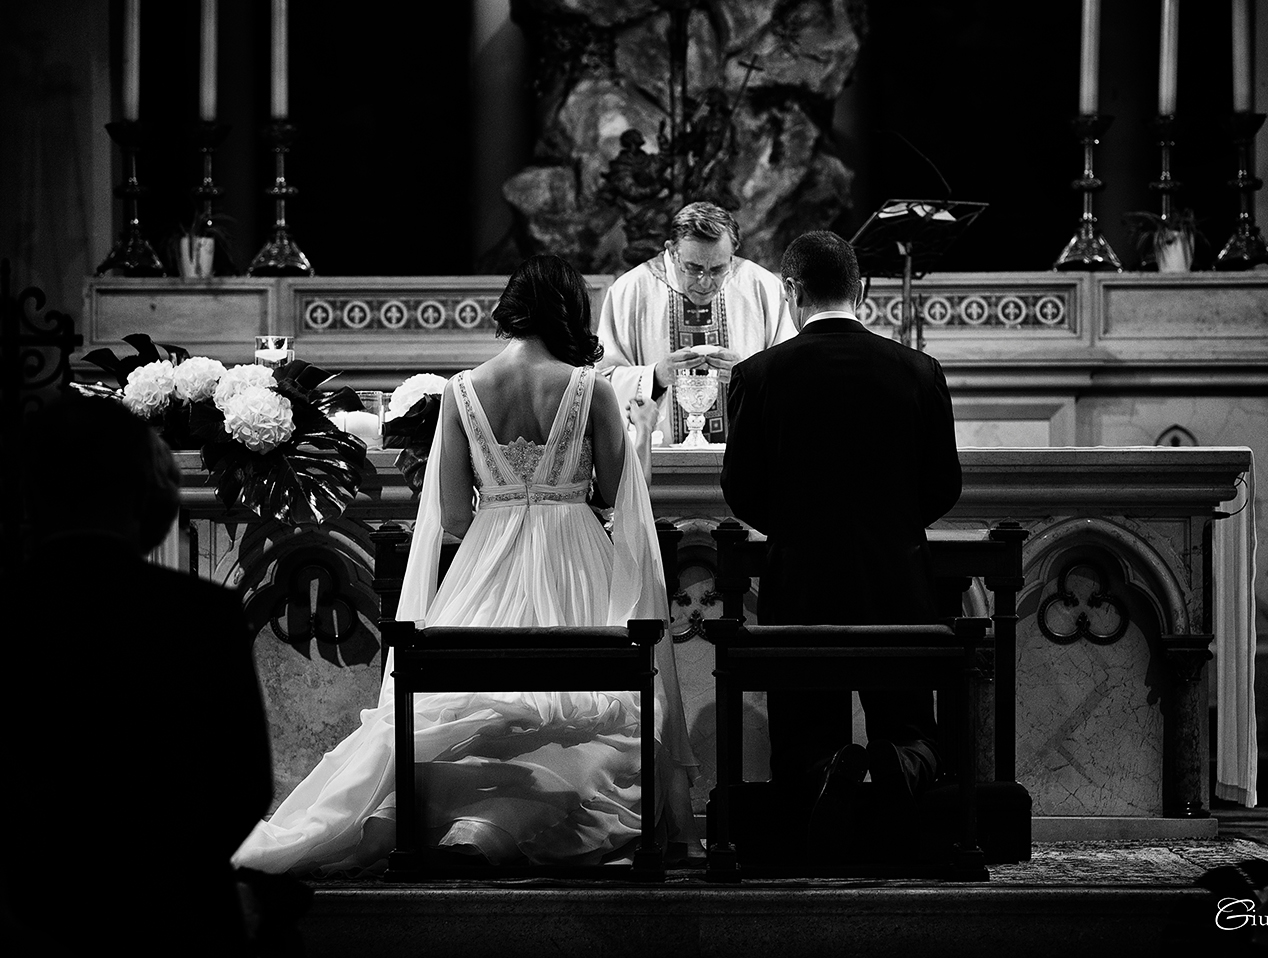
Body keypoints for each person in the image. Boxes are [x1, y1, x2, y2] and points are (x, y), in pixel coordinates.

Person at [233, 255, 702, 875]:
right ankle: (500, 823)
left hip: (488, 559)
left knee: (459, 699)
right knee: (587, 704)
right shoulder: (592, 389)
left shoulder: (461, 391)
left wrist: (503, 506)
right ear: (568, 311)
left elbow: (453, 515)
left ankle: (412, 817)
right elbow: (618, 494)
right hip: (577, 558)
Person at [719, 230, 962, 861]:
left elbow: (741, 490)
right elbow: (944, 484)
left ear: (790, 290)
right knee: (910, 722)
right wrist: (892, 527)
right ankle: (900, 772)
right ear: (862, 289)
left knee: (801, 732)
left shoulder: (757, 376)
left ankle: (826, 781)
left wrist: (800, 529)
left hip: (801, 581)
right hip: (897, 580)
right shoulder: (918, 371)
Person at [6, 393, 272, 955]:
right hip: (173, 917)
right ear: (143, 491)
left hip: (27, 913)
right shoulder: (203, 614)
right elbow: (244, 785)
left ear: (29, 492)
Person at [597, 200, 796, 446]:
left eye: (717, 269)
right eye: (693, 268)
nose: (705, 282)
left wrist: (748, 374)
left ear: (733, 252)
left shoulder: (762, 287)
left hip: (748, 459)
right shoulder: (631, 291)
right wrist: (655, 377)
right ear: (671, 250)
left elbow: (792, 377)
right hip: (659, 465)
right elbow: (602, 382)